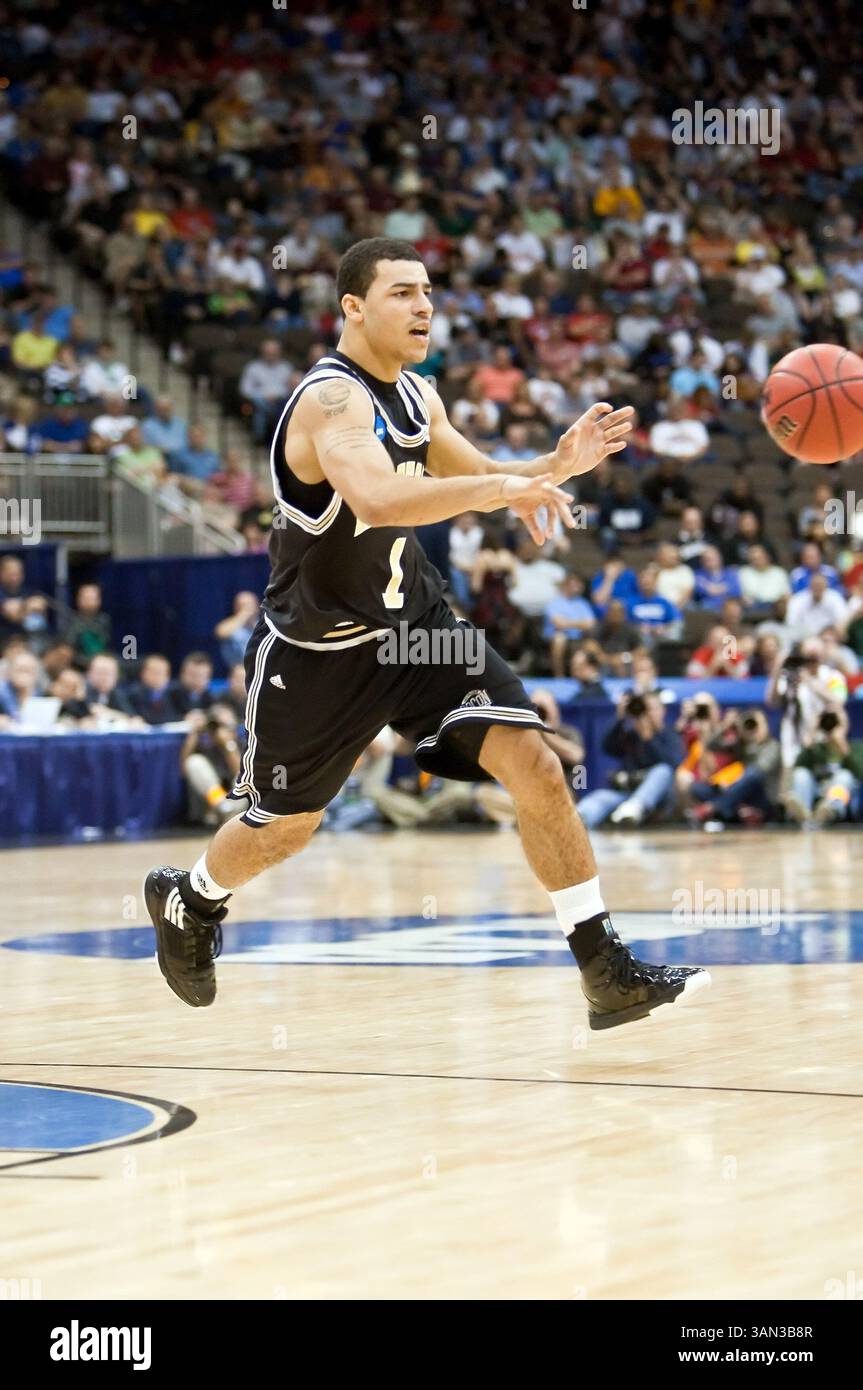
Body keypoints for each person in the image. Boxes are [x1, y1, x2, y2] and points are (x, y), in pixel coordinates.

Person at [144, 236, 708, 1028]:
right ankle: (192, 901)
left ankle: (602, 968)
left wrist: (556, 464)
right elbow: (377, 500)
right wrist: (505, 485)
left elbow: (479, 474)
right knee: (285, 828)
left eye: (428, 293)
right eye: (403, 292)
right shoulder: (330, 401)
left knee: (536, 766)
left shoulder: (418, 396)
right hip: (320, 653)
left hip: (417, 632)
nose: (424, 307)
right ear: (353, 307)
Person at [576, 692, 682, 828]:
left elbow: (672, 764)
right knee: (600, 797)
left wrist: (648, 738)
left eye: (652, 708)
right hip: (627, 794)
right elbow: (607, 747)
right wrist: (620, 719)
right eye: (645, 709)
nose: (647, 714)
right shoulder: (630, 736)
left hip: (658, 797)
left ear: (663, 711)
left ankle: (636, 805)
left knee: (663, 770)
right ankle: (577, 821)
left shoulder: (670, 735)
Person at [785, 707, 863, 827]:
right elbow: (798, 766)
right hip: (819, 790)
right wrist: (811, 735)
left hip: (844, 794)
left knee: (844, 776)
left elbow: (860, 774)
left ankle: (832, 810)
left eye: (836, 722)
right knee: (801, 773)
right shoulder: (816, 748)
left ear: (846, 724)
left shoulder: (855, 747)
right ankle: (803, 814)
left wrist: (843, 747)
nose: (831, 725)